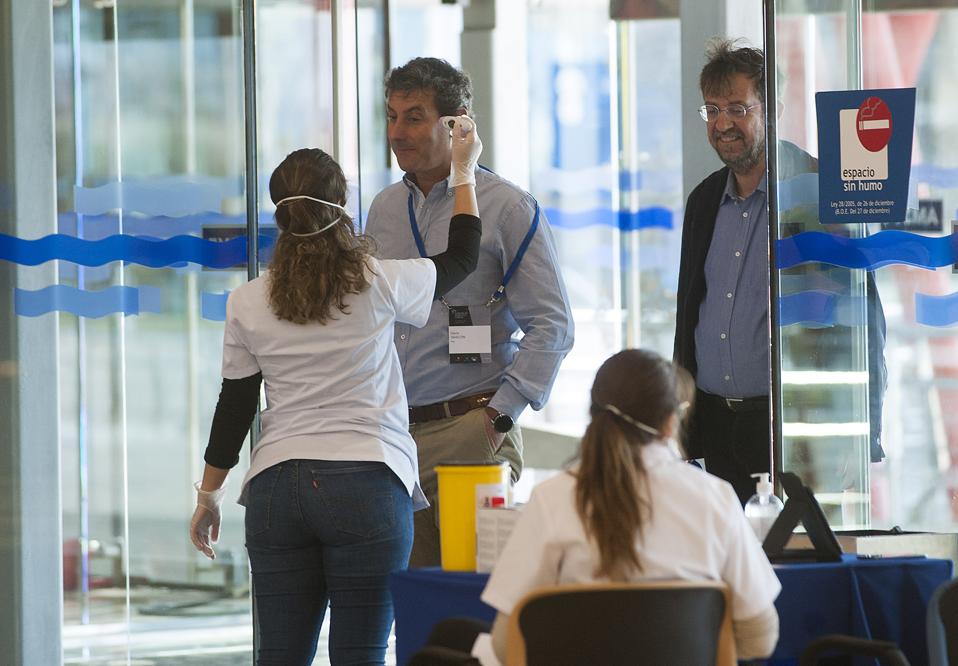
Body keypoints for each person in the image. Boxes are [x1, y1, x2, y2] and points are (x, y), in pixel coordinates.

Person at [188, 122, 482, 665]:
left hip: (277, 489)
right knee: (360, 655)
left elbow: (236, 406)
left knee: (278, 656)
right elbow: (462, 258)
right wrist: (463, 173)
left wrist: (208, 496)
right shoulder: (377, 281)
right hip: (368, 483)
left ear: (280, 212)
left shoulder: (248, 301)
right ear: (341, 206)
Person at [365, 57, 574, 567]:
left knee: (473, 600)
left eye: (414, 117)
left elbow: (552, 324)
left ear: (458, 125)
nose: (398, 132)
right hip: (395, 439)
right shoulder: (383, 209)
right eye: (391, 116)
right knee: (414, 609)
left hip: (470, 429)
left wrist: (499, 415)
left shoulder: (507, 206)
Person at [675, 38, 887, 502]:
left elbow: (862, 319)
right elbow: (689, 314)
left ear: (772, 109)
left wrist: (862, 429)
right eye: (711, 111)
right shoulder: (705, 200)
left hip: (792, 425)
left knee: (791, 567)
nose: (722, 124)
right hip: (714, 423)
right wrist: (684, 426)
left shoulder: (815, 189)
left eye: (736, 108)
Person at [479, 349, 781, 662]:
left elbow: (506, 642)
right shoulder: (715, 498)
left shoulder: (552, 499)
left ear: (594, 417)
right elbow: (760, 640)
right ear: (669, 423)